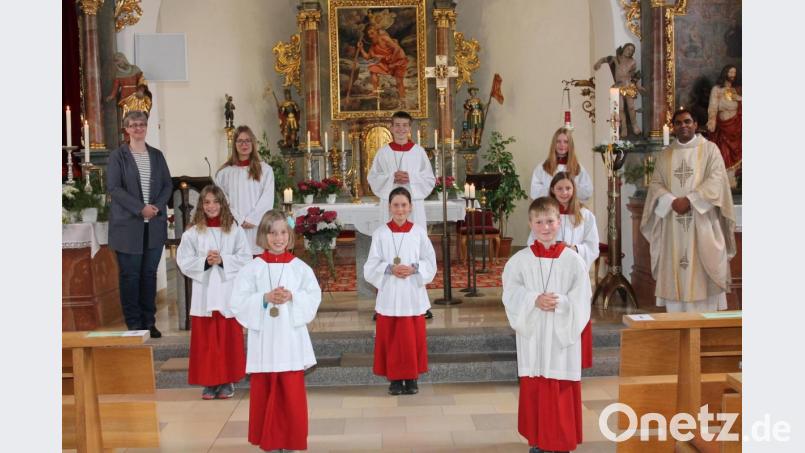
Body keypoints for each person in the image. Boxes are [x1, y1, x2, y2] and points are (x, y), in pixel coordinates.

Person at [502, 197, 591, 453]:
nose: (545, 227)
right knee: (536, 387)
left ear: (559, 222)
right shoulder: (520, 260)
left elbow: (582, 297)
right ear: (530, 224)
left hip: (561, 337)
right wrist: (533, 299)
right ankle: (538, 441)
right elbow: (510, 292)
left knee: (559, 386)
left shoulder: (573, 260)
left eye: (550, 221)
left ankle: (560, 442)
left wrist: (561, 302)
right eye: (539, 222)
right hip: (534, 336)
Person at [230, 210, 322, 452]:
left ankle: (290, 440)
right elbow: (238, 302)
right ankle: (269, 441)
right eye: (272, 233)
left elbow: (313, 296)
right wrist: (264, 298)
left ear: (289, 235)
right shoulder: (252, 268)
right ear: (263, 235)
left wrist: (293, 296)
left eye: (282, 233)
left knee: (291, 392)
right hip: (265, 339)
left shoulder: (300, 268)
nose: (278, 238)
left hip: (290, 338)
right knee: (265, 389)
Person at [640, 108, 736, 312]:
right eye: (678, 123)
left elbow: (717, 179)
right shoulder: (666, 155)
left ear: (696, 124)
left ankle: (704, 326)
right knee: (675, 270)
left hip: (702, 221)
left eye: (687, 121)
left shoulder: (710, 150)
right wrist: (671, 200)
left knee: (703, 271)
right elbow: (656, 183)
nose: (683, 126)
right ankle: (677, 326)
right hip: (672, 222)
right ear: (673, 127)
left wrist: (691, 200)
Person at [176, 185, 251, 400]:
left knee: (227, 339)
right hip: (205, 293)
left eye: (215, 202)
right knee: (206, 341)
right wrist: (205, 262)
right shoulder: (193, 232)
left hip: (227, 293)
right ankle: (210, 382)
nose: (211, 206)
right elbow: (183, 259)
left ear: (222, 204)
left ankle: (227, 381)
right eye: (207, 202)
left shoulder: (234, 230)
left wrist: (223, 259)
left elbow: (245, 258)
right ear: (201, 205)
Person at [364, 187, 437, 395]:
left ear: (410, 207)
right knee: (392, 339)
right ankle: (395, 379)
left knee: (412, 339)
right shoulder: (380, 233)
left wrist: (415, 268)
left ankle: (412, 378)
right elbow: (370, 266)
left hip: (412, 293)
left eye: (404, 205)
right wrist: (389, 268)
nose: (400, 209)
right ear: (389, 207)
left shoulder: (419, 232)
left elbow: (430, 261)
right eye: (396, 205)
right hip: (390, 292)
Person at [107, 110, 172, 338]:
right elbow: (114, 188)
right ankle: (134, 324)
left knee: (149, 275)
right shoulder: (118, 156)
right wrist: (140, 208)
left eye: (142, 124)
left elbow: (167, 185)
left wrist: (156, 207)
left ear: (146, 127)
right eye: (133, 125)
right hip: (128, 227)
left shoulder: (156, 155)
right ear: (126, 129)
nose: (138, 128)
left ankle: (149, 322)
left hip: (153, 225)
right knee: (130, 276)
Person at [526, 172, 599, 369]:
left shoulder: (585, 215)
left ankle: (576, 362)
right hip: (548, 275)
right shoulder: (545, 213)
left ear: (574, 189)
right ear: (552, 189)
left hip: (573, 275)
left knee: (574, 312)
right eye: (559, 188)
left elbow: (593, 247)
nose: (564, 192)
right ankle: (549, 361)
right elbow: (531, 242)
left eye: (568, 188)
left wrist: (574, 249)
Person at [367, 111, 436, 229]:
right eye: (397, 125)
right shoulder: (383, 152)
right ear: (391, 128)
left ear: (409, 128)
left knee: (414, 234)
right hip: (390, 203)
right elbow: (373, 177)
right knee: (389, 235)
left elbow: (429, 179)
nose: (401, 129)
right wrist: (391, 178)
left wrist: (411, 178)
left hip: (413, 203)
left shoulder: (419, 151)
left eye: (405, 125)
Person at [215, 125, 275, 256]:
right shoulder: (224, 173)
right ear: (234, 144)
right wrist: (239, 219)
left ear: (253, 143)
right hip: (234, 226)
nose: (244, 144)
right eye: (240, 141)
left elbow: (267, 198)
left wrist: (253, 219)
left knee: (258, 264)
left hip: (258, 227)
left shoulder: (265, 170)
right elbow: (223, 200)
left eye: (247, 140)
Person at [530, 127, 593, 203]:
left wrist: (570, 189)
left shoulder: (577, 167)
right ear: (554, 144)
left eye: (566, 142)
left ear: (570, 145)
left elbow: (587, 191)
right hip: (549, 208)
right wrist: (554, 190)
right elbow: (534, 192)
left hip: (571, 208)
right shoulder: (542, 167)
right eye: (558, 141)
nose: (562, 145)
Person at [594, 43, 643, 136]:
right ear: (624, 49)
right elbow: (605, 59)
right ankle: (624, 128)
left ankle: (634, 125)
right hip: (618, 86)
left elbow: (633, 76)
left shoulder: (633, 62)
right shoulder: (616, 58)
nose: (629, 51)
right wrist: (598, 63)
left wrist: (638, 86)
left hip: (628, 86)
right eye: (628, 49)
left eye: (632, 50)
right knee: (620, 109)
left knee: (631, 107)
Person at [357, 24, 408, 104]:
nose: (370, 36)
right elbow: (367, 57)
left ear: (377, 32)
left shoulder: (384, 38)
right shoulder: (373, 46)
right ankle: (375, 92)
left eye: (372, 33)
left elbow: (397, 48)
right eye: (369, 35)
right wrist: (361, 48)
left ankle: (403, 99)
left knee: (399, 82)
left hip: (398, 61)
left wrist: (392, 62)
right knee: (373, 68)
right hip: (387, 63)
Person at [707, 64, 742, 178]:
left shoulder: (735, 90)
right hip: (724, 126)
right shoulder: (717, 89)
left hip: (737, 125)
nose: (733, 75)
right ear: (725, 72)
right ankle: (726, 178)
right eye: (731, 72)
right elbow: (713, 107)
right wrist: (712, 121)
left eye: (734, 72)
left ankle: (736, 178)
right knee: (724, 151)